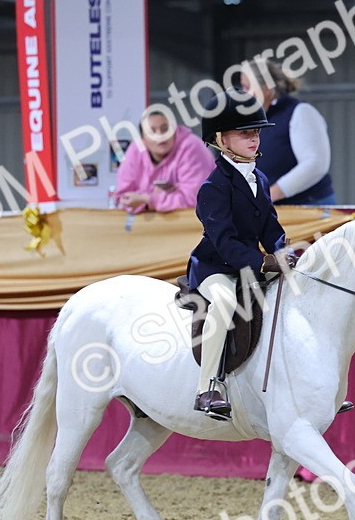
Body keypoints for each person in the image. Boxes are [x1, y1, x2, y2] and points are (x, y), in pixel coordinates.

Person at [186, 89, 294, 420]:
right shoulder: (213, 187)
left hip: (250, 267)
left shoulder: (259, 179)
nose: (254, 139)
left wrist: (284, 252)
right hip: (215, 269)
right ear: (221, 138)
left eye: (257, 132)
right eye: (245, 133)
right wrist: (264, 261)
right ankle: (208, 388)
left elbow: (270, 229)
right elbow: (224, 242)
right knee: (225, 303)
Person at [241, 58, 336, 206]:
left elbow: (315, 164)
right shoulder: (254, 120)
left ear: (266, 88)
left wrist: (270, 194)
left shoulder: (300, 112)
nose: (243, 93)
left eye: (247, 87)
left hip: (309, 208)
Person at [114, 107, 216, 214]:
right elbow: (123, 198)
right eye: (152, 131)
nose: (160, 135)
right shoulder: (136, 149)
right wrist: (154, 200)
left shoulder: (192, 146)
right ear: (143, 138)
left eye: (165, 129)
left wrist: (148, 199)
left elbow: (195, 200)